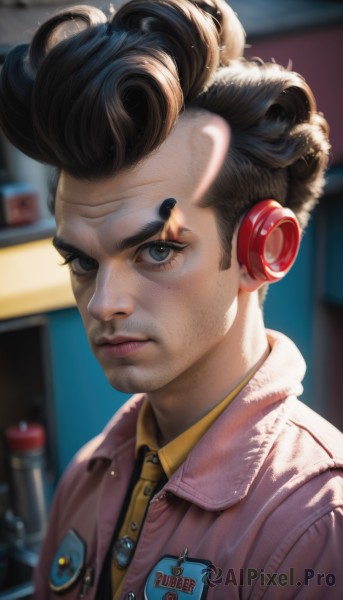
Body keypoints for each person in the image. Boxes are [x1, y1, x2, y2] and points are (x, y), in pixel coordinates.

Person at [1, 0, 342, 598]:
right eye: (82, 261)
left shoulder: (315, 525)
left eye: (156, 251)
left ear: (269, 248)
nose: (104, 303)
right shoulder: (86, 476)